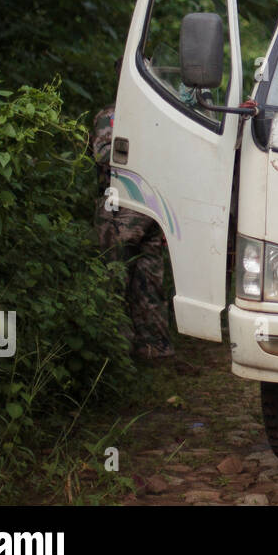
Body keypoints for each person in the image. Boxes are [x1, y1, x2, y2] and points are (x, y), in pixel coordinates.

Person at [90, 80, 174, 360]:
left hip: (148, 209)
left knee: (149, 281)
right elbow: (104, 155)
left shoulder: (157, 116)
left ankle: (153, 347)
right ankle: (116, 352)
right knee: (115, 279)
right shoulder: (111, 115)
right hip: (117, 208)